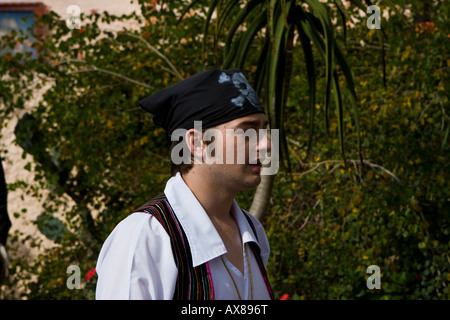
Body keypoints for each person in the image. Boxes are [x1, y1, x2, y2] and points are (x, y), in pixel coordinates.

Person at [95, 68, 275, 300]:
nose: (267, 144)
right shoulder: (147, 238)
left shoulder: (253, 232)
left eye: (264, 129)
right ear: (197, 143)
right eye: (247, 131)